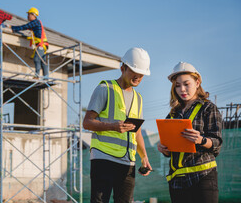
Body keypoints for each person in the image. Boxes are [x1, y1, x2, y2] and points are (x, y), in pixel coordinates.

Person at [83, 47, 153, 203]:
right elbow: (87, 122)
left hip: (128, 162)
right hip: (103, 158)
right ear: (123, 68)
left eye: (141, 74)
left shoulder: (139, 98)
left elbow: (137, 132)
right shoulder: (105, 89)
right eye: (134, 72)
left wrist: (144, 157)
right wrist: (112, 126)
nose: (138, 77)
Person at [157, 62, 222, 203]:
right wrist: (164, 149)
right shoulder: (172, 114)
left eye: (186, 84)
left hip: (203, 178)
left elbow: (217, 143)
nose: (182, 89)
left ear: (197, 82)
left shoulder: (208, 108)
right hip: (177, 182)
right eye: (178, 85)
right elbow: (170, 150)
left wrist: (201, 140)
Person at [7, 7, 49, 78]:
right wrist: (12, 27)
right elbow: (25, 27)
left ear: (33, 15)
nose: (27, 16)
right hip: (42, 44)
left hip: (41, 45)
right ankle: (46, 78)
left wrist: (12, 28)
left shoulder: (35, 22)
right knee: (43, 62)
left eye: (29, 14)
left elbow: (24, 27)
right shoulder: (35, 23)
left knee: (37, 59)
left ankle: (37, 76)